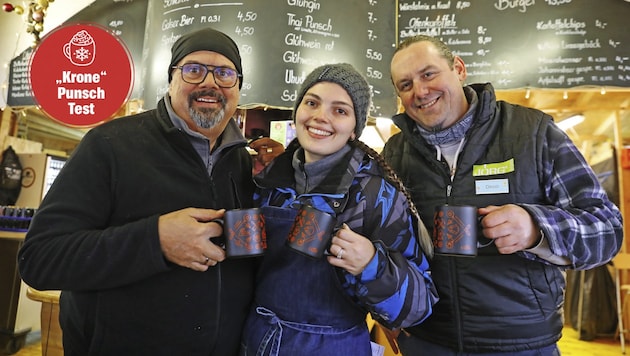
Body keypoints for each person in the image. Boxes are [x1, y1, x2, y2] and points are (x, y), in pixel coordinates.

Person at [18, 27, 282, 355]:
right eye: (194, 70)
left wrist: (280, 187)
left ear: (238, 88)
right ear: (171, 80)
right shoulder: (110, 145)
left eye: (225, 74)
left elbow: (248, 261)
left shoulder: (244, 163)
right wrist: (155, 241)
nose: (210, 83)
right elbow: (41, 259)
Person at [382, 34, 624, 355]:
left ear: (459, 68)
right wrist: (389, 311)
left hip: (520, 343)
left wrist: (536, 228)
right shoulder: (395, 153)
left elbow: (607, 230)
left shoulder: (532, 133)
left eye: (429, 74)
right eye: (406, 84)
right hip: (427, 340)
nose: (420, 91)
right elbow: (386, 241)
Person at [240, 63, 438, 356]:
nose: (321, 117)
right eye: (312, 103)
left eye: (340, 110)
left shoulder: (376, 196)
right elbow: (244, 268)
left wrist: (372, 264)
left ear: (353, 129)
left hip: (333, 346)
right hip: (257, 339)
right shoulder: (267, 182)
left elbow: (418, 308)